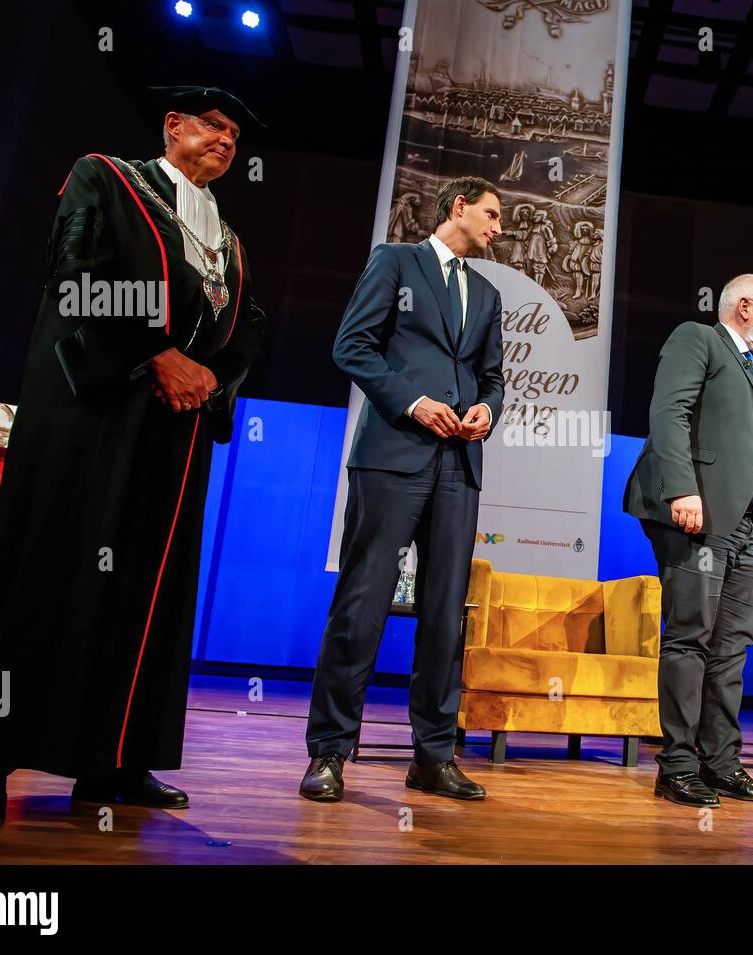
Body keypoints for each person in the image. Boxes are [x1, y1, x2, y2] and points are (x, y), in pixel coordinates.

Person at [0, 86, 267, 823]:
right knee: (45, 575)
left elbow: (248, 324)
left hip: (172, 437)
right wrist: (155, 353)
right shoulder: (108, 177)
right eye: (214, 126)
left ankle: (113, 761)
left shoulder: (228, 236)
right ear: (172, 126)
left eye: (235, 135)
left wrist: (212, 375)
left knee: (145, 598)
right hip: (91, 422)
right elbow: (75, 276)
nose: (227, 140)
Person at [300, 176, 504, 803]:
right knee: (363, 604)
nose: (500, 228)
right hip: (392, 457)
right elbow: (352, 347)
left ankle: (434, 756)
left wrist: (487, 411)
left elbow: (492, 376)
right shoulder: (396, 261)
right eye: (492, 215)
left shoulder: (489, 293)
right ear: (458, 207)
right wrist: (413, 402)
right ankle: (330, 752)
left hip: (457, 468)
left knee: (444, 615)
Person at [623, 274, 753, 806]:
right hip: (695, 515)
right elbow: (668, 412)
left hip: (742, 526)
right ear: (744, 306)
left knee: (732, 645)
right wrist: (682, 489)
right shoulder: (698, 339)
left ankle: (720, 762)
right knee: (691, 635)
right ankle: (676, 765)